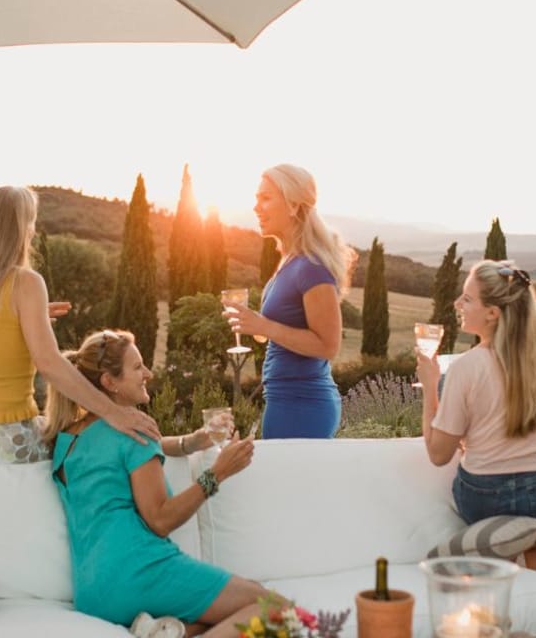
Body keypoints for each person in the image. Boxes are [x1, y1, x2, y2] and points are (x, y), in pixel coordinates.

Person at [45, 330, 275, 637]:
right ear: (109, 382)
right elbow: (161, 519)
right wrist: (217, 473)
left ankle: (168, 631)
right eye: (138, 367)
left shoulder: (69, 439)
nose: (148, 373)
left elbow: (127, 449)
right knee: (272, 607)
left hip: (93, 592)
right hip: (139, 570)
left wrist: (193, 440)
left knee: (235, 609)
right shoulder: (131, 430)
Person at [0, 186, 159, 461]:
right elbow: (49, 363)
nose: (33, 230)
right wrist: (113, 412)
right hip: (1, 435)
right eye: (31, 220)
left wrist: (26, 317)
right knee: (74, 461)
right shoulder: (26, 282)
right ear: (20, 227)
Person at [416, 259, 536, 571]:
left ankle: (493, 601)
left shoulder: (466, 367)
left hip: (484, 496)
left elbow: (438, 453)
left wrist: (429, 387)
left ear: (493, 312)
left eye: (467, 298)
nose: (457, 303)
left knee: (500, 550)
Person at [224, 164, 351, 439]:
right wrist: (255, 327)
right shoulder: (289, 261)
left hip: (303, 403)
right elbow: (279, 331)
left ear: (293, 206)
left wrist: (265, 326)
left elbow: (329, 346)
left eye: (265, 198)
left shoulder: (311, 267)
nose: (256, 207)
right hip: (284, 398)